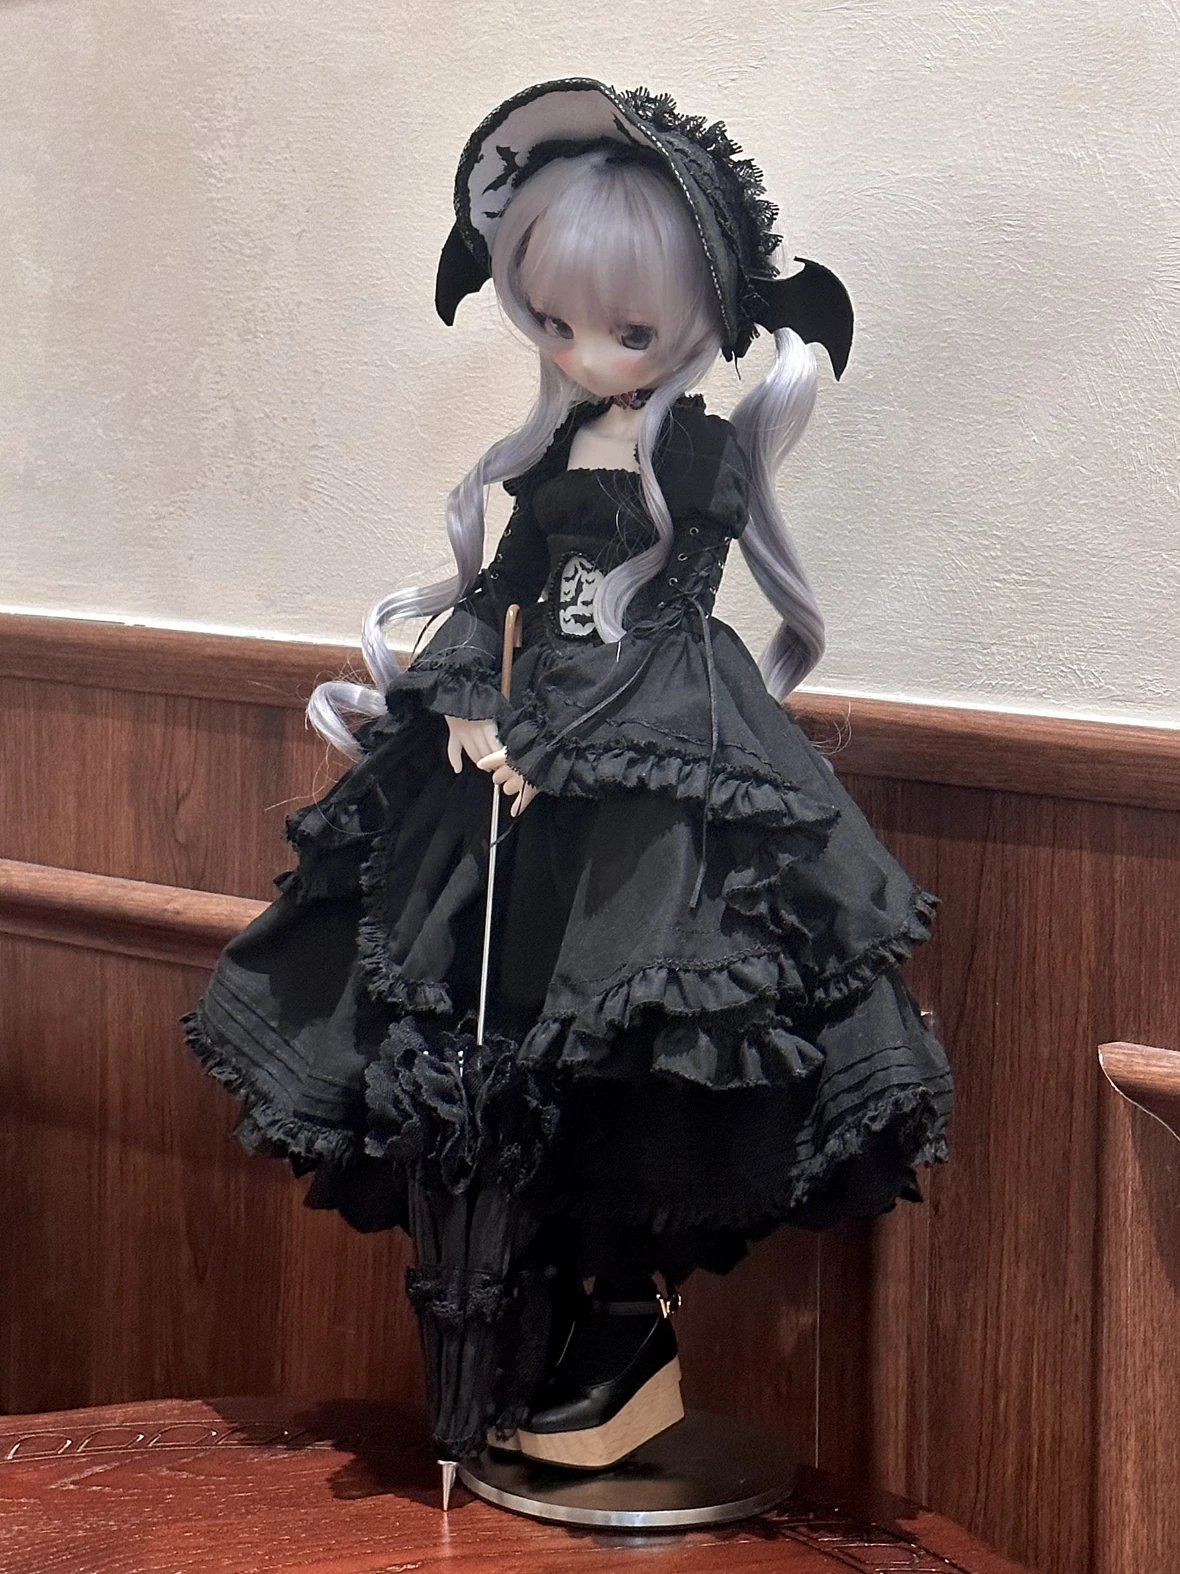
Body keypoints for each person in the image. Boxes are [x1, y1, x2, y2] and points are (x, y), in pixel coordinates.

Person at [184, 78, 953, 1477]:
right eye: (551, 318)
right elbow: (499, 596)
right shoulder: (547, 461)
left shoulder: (696, 459)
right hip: (512, 780)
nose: (584, 350)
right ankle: (536, 1320)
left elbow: (673, 622)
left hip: (651, 776)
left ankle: (622, 1322)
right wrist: (470, 706)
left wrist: (552, 739)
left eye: (628, 329)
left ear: (703, 322)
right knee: (492, 1034)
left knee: (633, 1035)